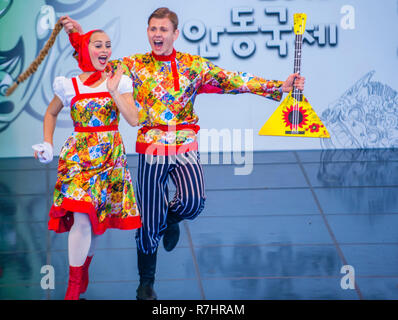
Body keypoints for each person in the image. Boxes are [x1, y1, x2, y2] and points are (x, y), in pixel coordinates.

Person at [60, 7, 305, 300]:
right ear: (148, 32)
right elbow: (97, 62)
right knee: (148, 224)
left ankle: (171, 219)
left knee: (193, 202)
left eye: (163, 30)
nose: (157, 35)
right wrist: (76, 36)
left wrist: (280, 87)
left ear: (175, 34)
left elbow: (233, 79)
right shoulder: (134, 64)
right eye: (153, 29)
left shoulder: (192, 66)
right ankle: (146, 283)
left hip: (184, 147)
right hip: (151, 149)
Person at [33, 29, 142, 300]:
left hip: (109, 161)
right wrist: (47, 143)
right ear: (86, 50)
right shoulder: (69, 85)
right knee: (81, 217)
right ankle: (73, 286)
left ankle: (83, 270)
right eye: (98, 45)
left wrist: (114, 91)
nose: (105, 49)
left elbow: (134, 119)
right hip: (78, 160)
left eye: (108, 45)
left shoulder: (120, 81)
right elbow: (51, 112)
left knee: (94, 223)